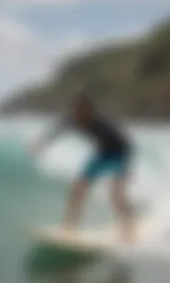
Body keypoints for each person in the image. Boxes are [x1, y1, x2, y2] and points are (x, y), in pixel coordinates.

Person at [29, 92, 135, 243]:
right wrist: (41, 142)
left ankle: (129, 230)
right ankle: (69, 229)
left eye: (84, 113)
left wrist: (123, 170)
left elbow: (125, 144)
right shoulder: (72, 119)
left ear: (90, 112)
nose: (81, 117)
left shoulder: (102, 124)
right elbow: (56, 130)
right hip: (102, 154)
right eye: (78, 112)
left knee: (116, 195)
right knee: (77, 189)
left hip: (119, 154)